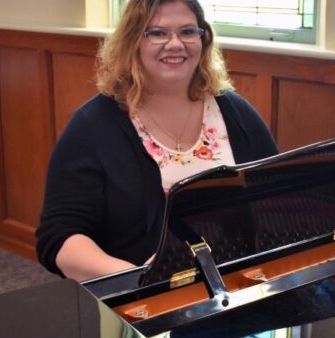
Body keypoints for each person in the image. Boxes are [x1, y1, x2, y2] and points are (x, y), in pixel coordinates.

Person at [35, 0, 278, 282]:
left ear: (203, 39)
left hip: (237, 288)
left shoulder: (234, 112)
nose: (175, 44)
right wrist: (143, 279)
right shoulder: (92, 125)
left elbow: (276, 200)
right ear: (133, 41)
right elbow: (59, 236)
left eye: (187, 31)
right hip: (138, 304)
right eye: (157, 33)